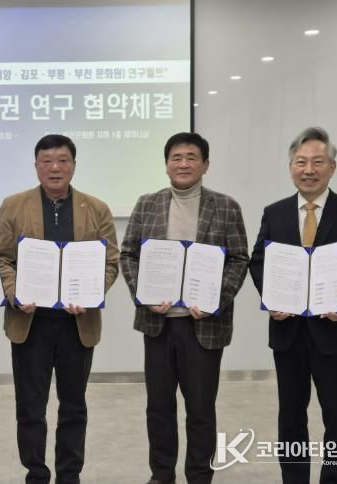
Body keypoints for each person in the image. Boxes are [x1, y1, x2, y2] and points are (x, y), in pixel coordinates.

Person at [249, 127, 337, 483]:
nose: (308, 170)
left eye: (318, 162)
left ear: (332, 168)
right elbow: (259, 261)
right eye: (301, 162)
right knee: (291, 417)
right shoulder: (275, 213)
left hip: (336, 332)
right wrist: (270, 296)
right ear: (290, 167)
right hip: (288, 332)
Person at [121, 132, 249, 484]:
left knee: (201, 410)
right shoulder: (147, 203)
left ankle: (199, 476)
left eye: (192, 157)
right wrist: (143, 294)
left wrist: (214, 300)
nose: (183, 163)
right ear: (166, 165)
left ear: (205, 164)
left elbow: (239, 259)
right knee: (159, 408)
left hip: (203, 325)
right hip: (158, 323)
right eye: (176, 157)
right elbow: (128, 254)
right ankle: (161, 474)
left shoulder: (226, 206)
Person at [0, 134, 119, 484]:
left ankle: (69, 475)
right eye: (46, 161)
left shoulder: (97, 208)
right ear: (36, 166)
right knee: (30, 408)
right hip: (29, 322)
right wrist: (15, 292)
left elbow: (111, 262)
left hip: (77, 324)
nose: (55, 168)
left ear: (74, 165)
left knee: (74, 407)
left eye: (63, 160)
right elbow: (1, 257)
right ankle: (35, 473)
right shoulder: (13, 205)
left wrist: (91, 294)